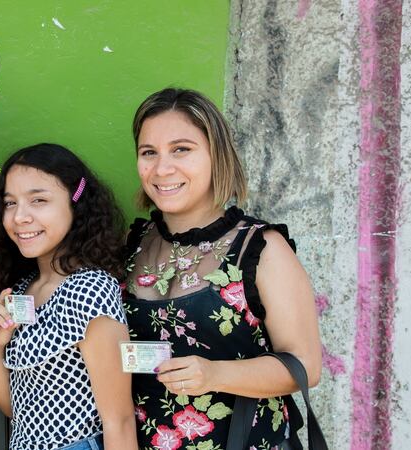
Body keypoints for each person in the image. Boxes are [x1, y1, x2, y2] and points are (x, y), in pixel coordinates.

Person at [123, 88, 322, 449]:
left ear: (217, 155)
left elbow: (305, 366)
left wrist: (215, 374)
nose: (162, 168)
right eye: (148, 153)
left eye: (181, 149)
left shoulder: (261, 247)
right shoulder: (131, 244)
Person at [0, 143, 138, 450]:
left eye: (38, 200)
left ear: (76, 204)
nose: (20, 217)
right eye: (10, 203)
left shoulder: (90, 291)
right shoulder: (22, 289)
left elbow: (119, 420)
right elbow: (18, 412)